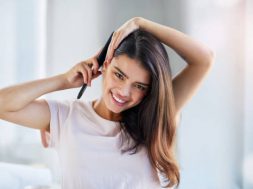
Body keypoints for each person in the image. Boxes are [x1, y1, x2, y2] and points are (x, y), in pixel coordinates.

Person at [0, 17, 215, 188]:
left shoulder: (157, 119)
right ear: (106, 63)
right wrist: (63, 80)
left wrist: (141, 23)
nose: (124, 92)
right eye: (119, 75)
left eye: (139, 86)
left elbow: (203, 59)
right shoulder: (67, 117)